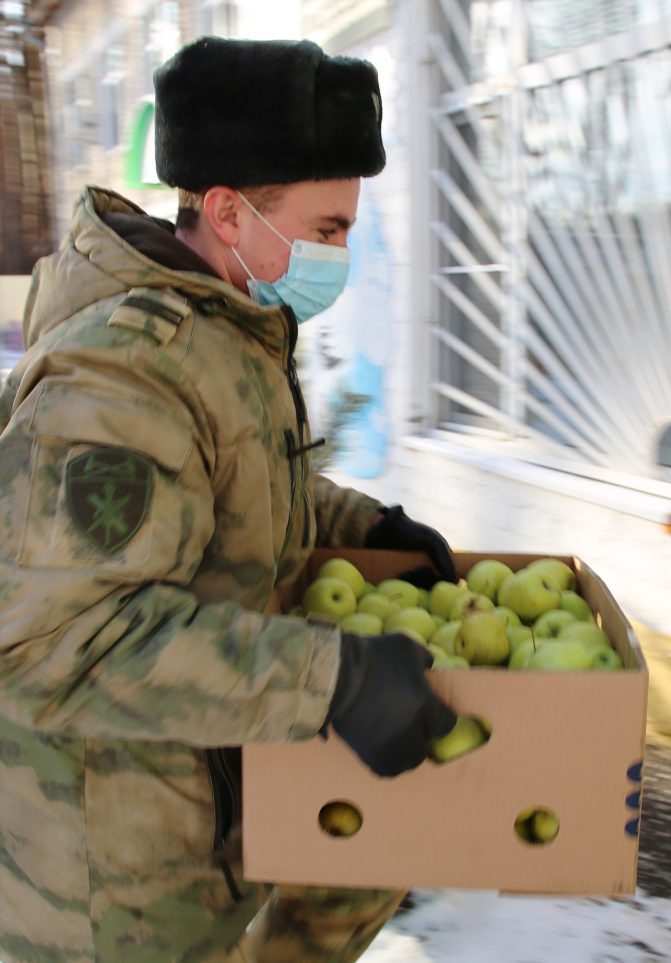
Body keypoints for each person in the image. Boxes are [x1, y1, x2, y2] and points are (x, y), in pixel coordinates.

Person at [0, 36, 459, 962]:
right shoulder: (121, 370)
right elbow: (54, 639)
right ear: (227, 211)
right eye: (328, 228)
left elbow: (227, 486)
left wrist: (358, 524)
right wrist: (327, 680)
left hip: (196, 820)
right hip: (110, 897)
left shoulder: (224, 323)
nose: (344, 253)